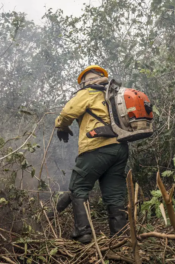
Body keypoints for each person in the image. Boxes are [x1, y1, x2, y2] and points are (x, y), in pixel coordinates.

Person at [54, 65, 128, 243]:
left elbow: (67, 112)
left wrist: (61, 126)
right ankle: (120, 237)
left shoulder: (88, 92)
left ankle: (83, 232)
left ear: (85, 81)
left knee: (79, 188)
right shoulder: (114, 94)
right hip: (120, 148)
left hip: (97, 146)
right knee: (115, 194)